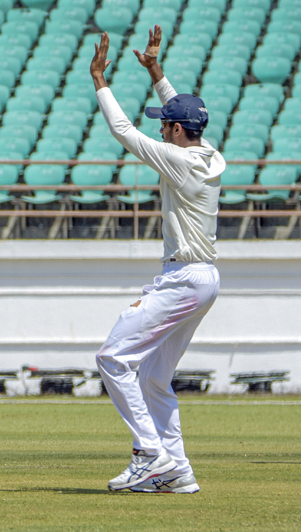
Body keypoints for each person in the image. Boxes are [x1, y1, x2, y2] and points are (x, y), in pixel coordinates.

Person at [89, 27, 224, 494]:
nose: (160, 129)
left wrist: (99, 81)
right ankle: (178, 471)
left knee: (112, 357)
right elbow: (180, 114)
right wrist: (156, 73)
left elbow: (123, 131)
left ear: (175, 133)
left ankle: (149, 453)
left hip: (184, 277)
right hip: (200, 276)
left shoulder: (178, 160)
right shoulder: (207, 153)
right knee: (153, 377)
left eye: (164, 125)